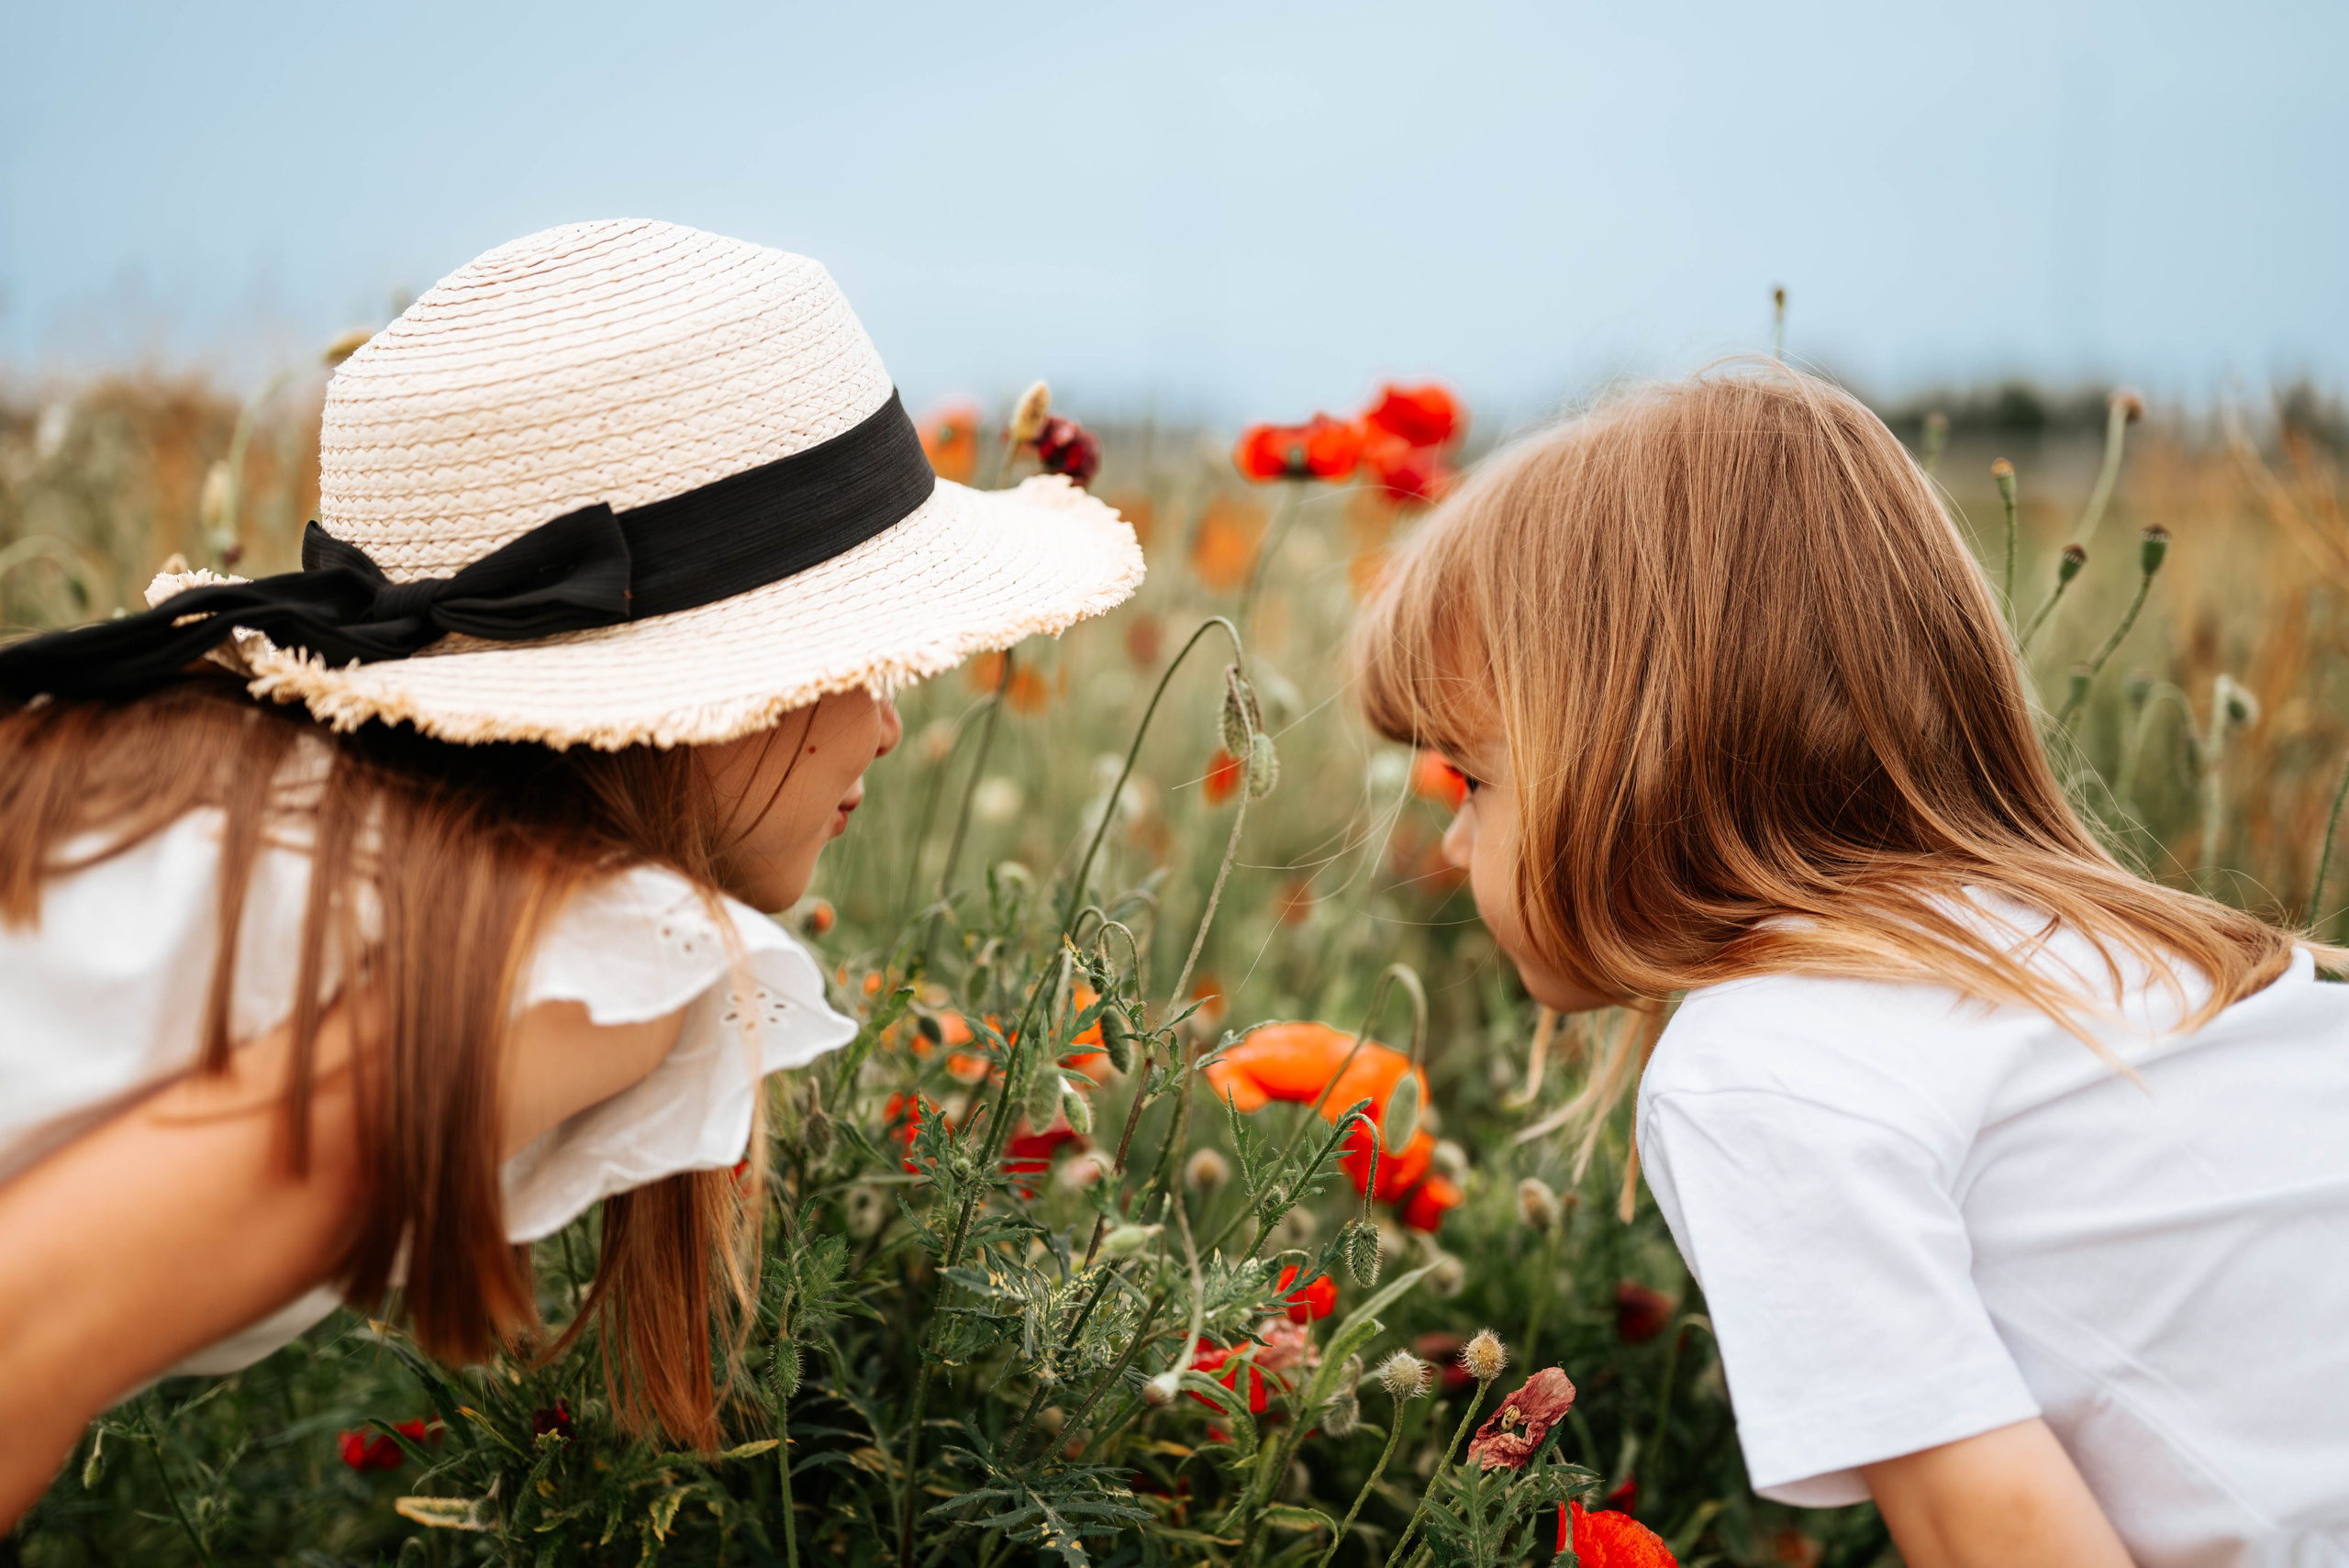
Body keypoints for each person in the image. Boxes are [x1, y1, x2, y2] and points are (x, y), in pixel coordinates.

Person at [0, 218, 1143, 1525]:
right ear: (731, 688)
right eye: (861, 654)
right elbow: (22, 1332)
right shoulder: (582, 953)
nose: (889, 722)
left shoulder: (252, 798)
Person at [1353, 363, 2349, 1568]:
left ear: (1633, 769)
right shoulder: (2127, 958)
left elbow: (2004, 1547)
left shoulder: (1759, 1074)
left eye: (1473, 778)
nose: (1454, 846)